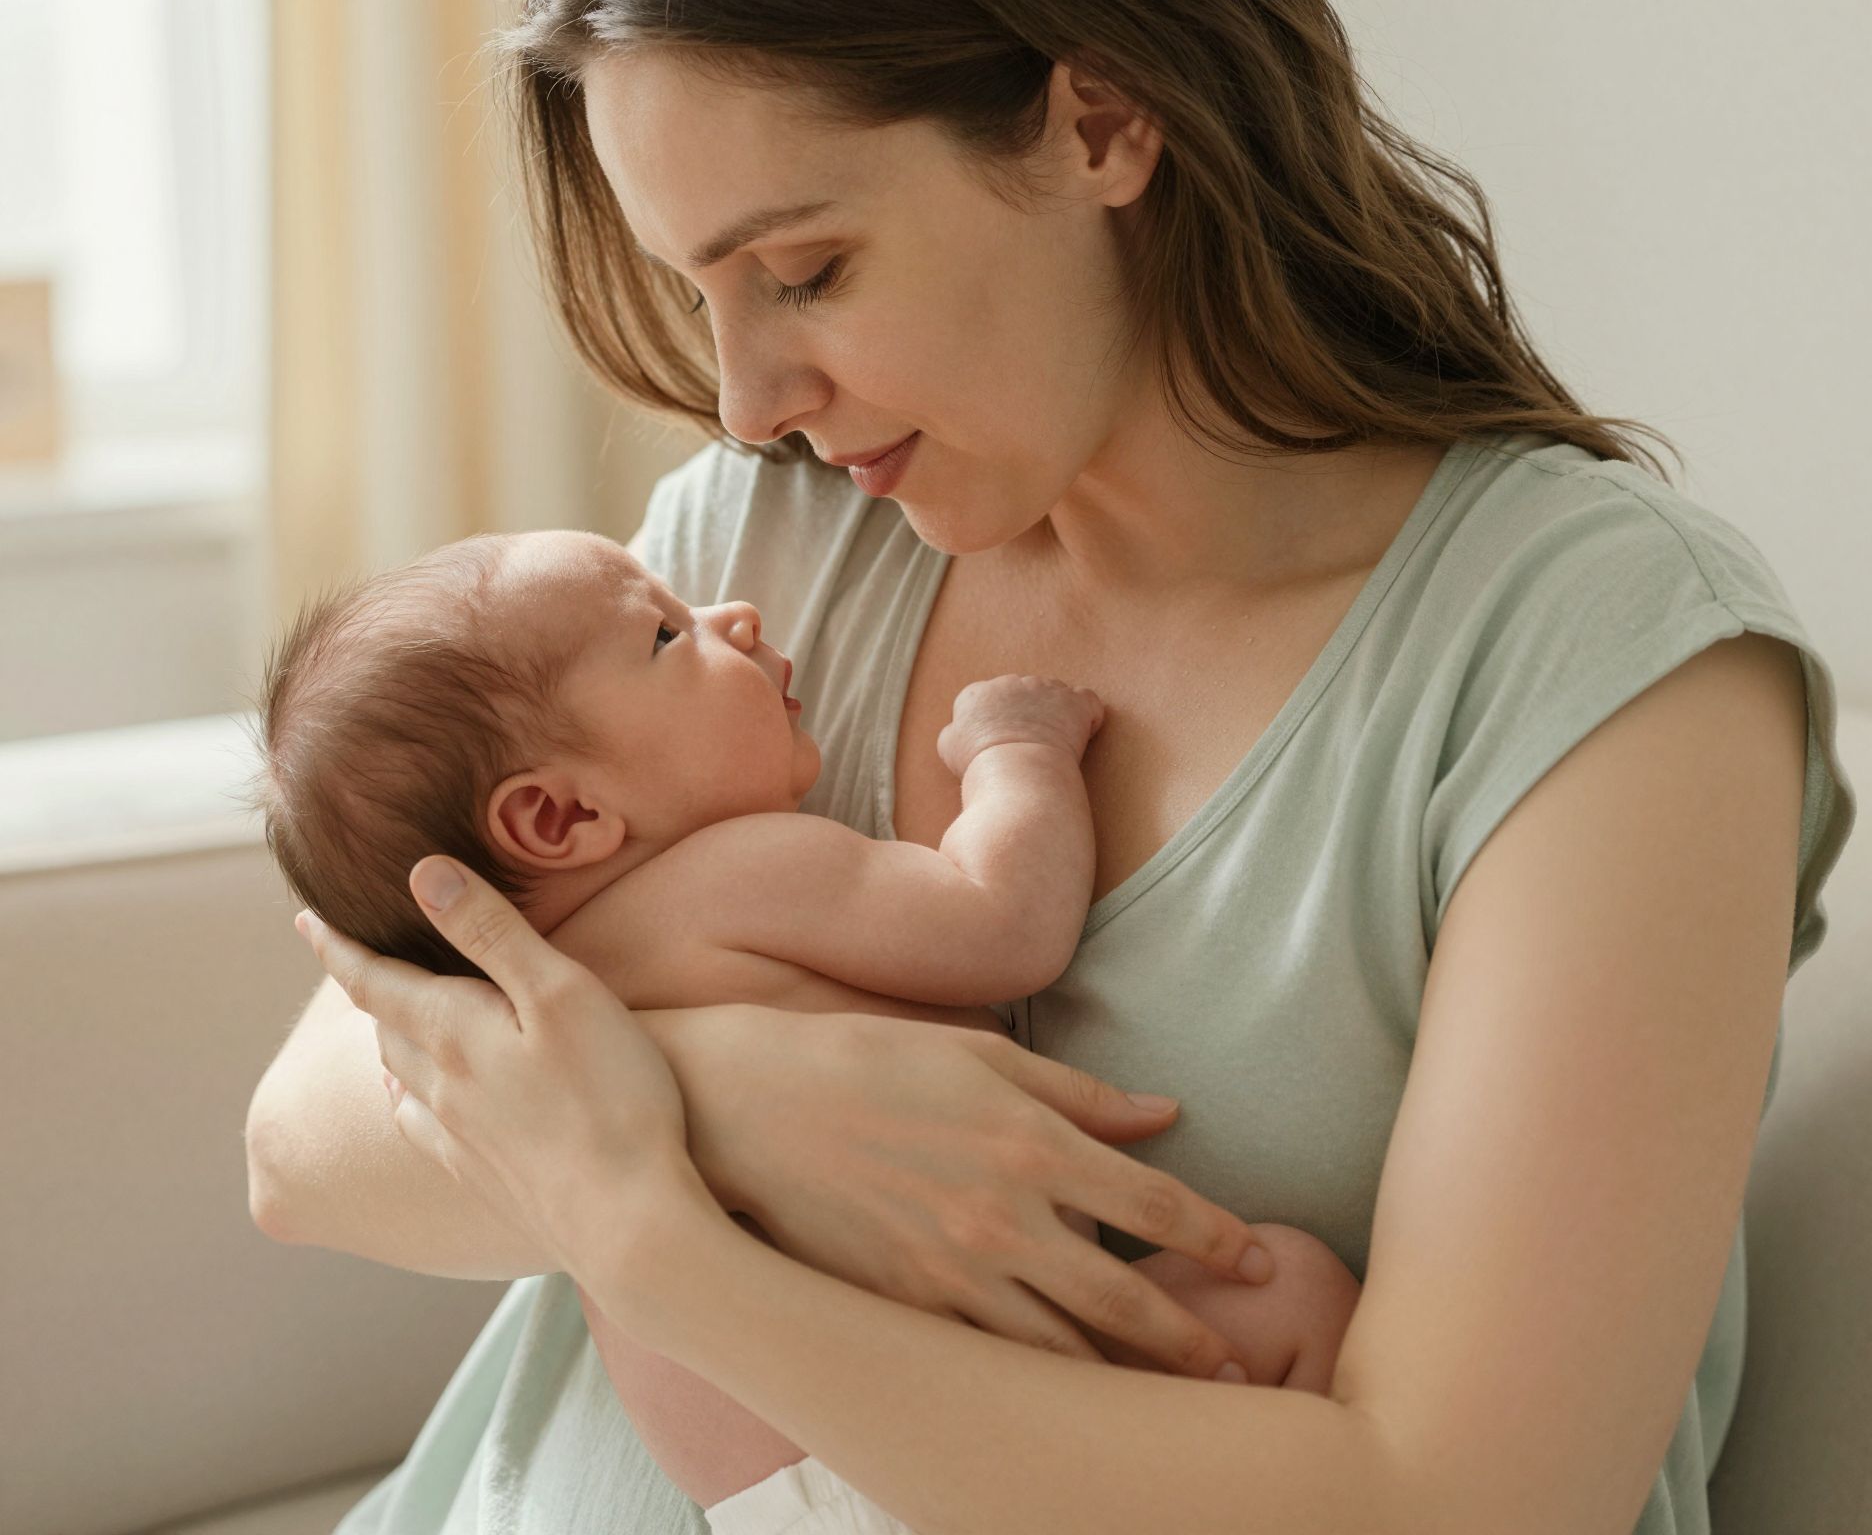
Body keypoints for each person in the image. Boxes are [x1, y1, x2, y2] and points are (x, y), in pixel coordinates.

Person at [244, 2, 1858, 1533]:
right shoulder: (765, 542)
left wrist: (659, 1241)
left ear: (1101, 117)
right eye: (697, 295)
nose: (746, 399)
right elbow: (305, 1141)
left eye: (804, 271)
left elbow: (1449, 1507)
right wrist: (747, 1102)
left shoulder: (1596, 661)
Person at [254, 526, 1365, 1520]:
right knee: (1289, 1289)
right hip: (952, 1430)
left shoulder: (515, 1011)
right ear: (563, 814)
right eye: (665, 634)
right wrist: (1012, 754)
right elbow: (1003, 924)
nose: (730, 616)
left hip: (768, 1492)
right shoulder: (746, 874)